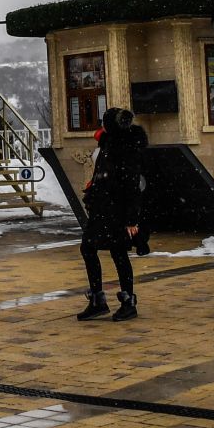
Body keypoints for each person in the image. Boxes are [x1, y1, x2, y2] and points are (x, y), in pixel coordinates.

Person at [77, 107, 147, 322]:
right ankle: (98, 301)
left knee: (118, 253)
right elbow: (101, 175)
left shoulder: (125, 147)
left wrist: (131, 219)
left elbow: (132, 185)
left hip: (117, 210)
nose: (101, 126)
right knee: (88, 248)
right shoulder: (108, 142)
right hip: (102, 208)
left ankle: (128, 303)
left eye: (104, 123)